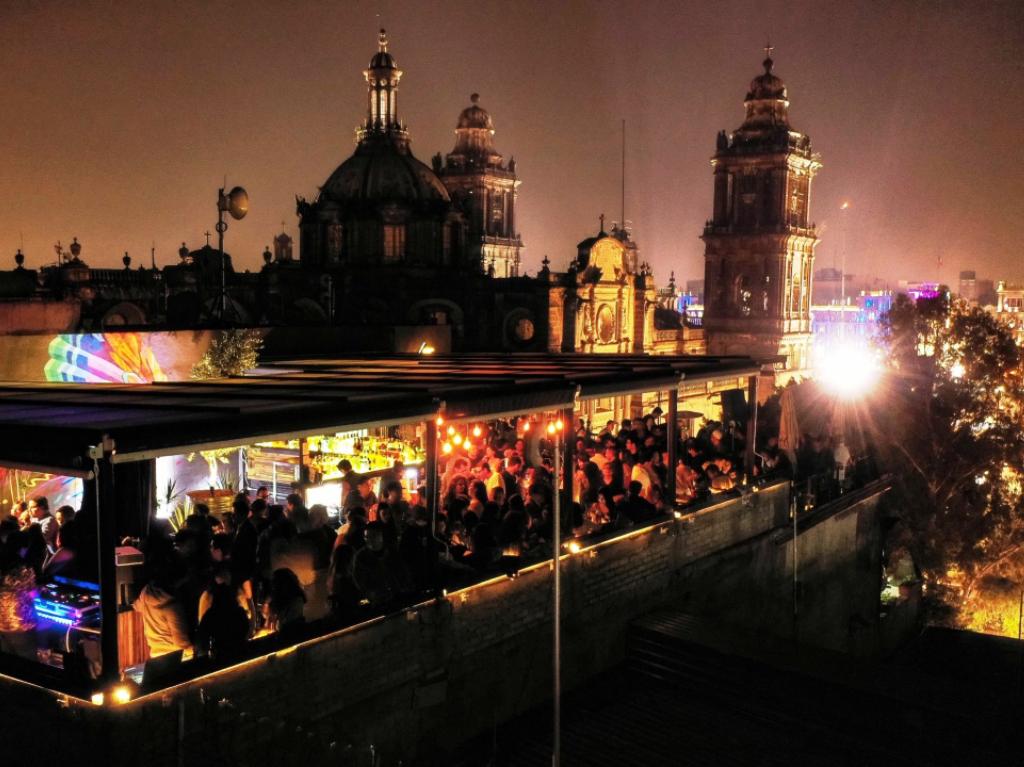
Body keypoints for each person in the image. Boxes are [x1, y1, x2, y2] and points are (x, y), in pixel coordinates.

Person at [196, 581, 250, 661]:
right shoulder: (239, 612)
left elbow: (201, 638)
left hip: (218, 658)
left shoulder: (209, 616)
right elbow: (247, 630)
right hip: (240, 655)